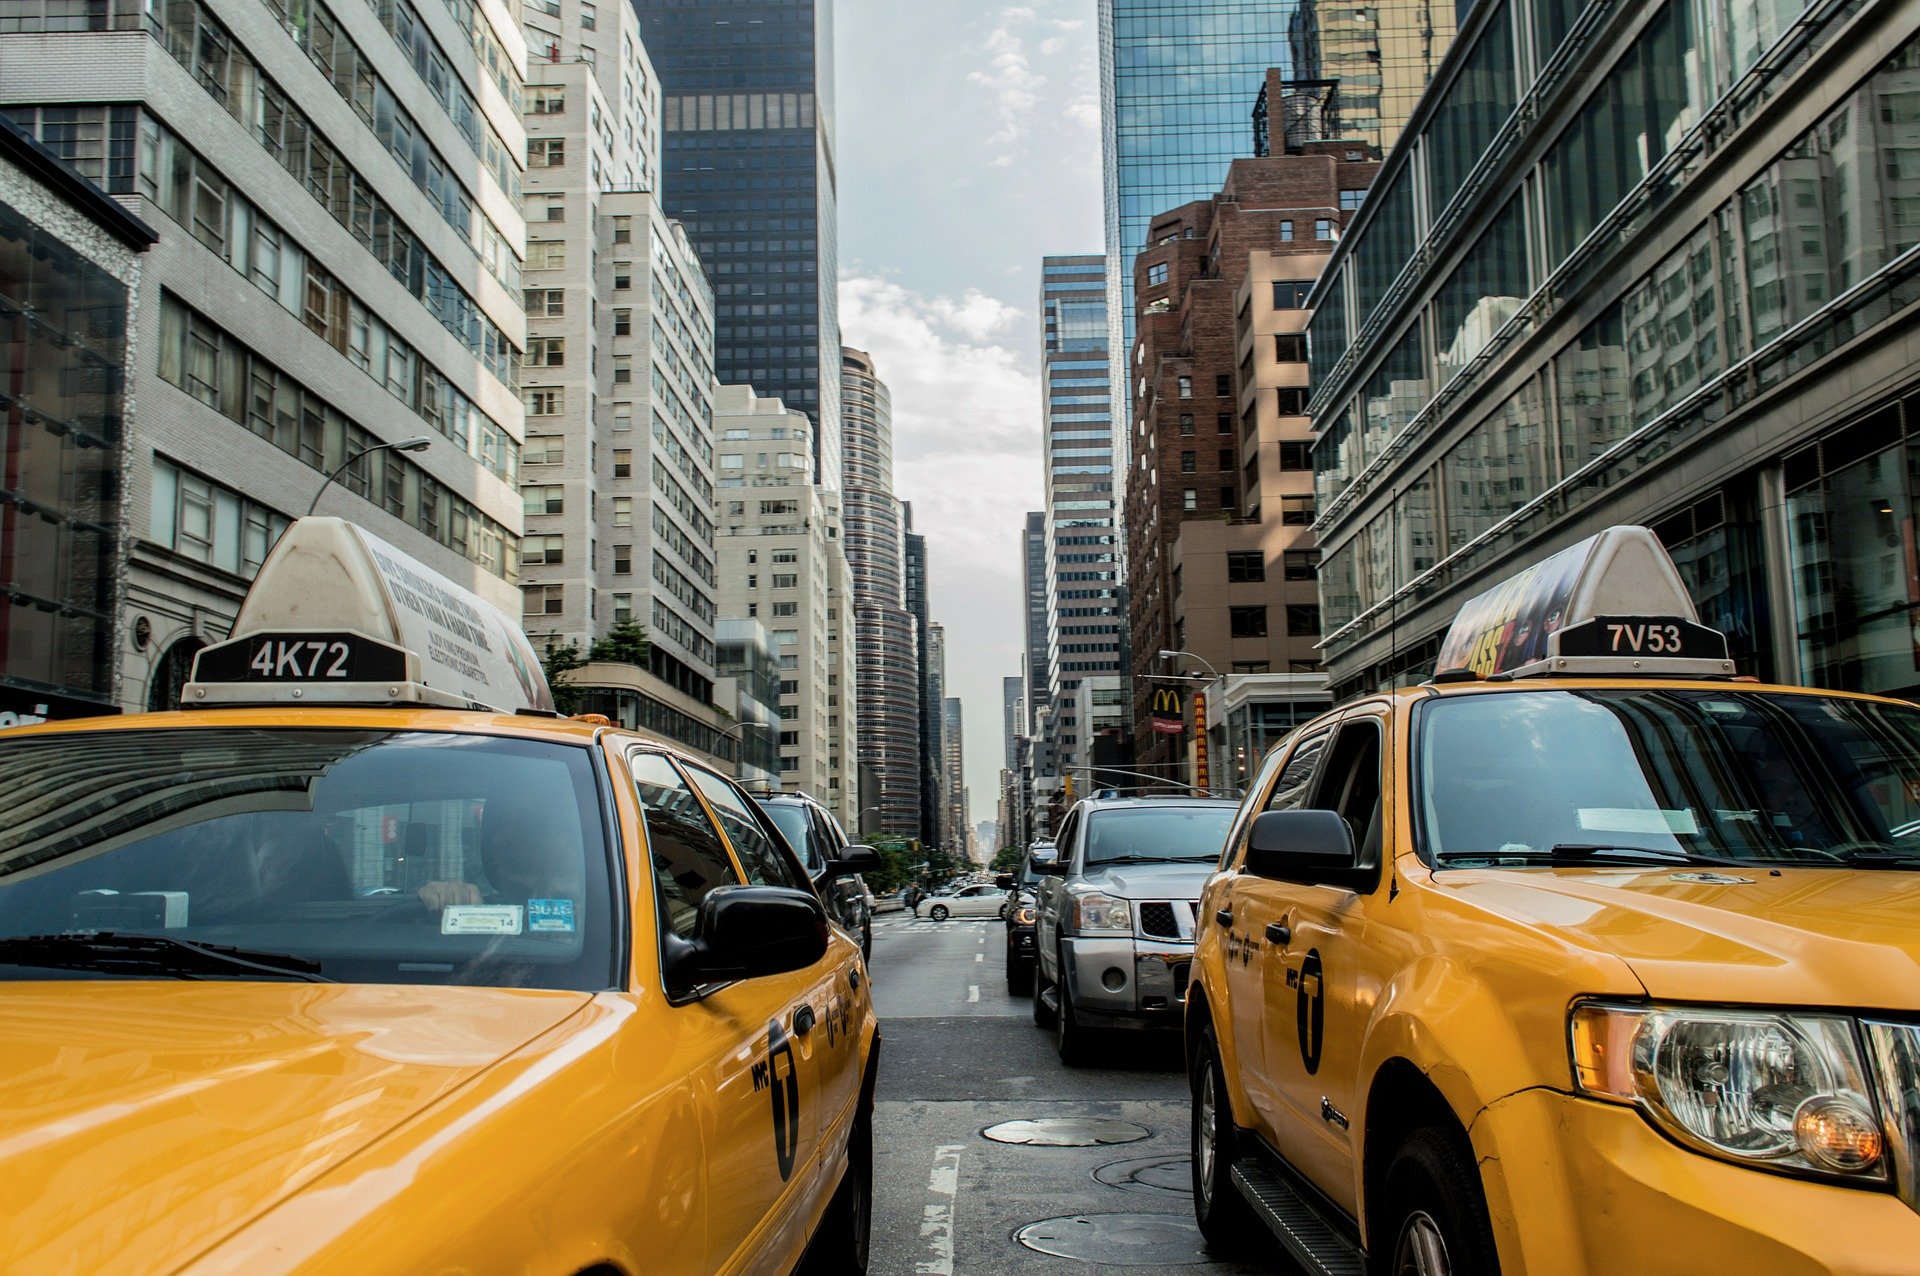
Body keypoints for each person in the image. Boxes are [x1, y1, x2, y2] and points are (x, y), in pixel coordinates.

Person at [418, 799, 583, 912]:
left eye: (526, 828)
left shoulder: (590, 908)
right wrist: (440, 896)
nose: (499, 841)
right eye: (494, 833)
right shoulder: (475, 905)